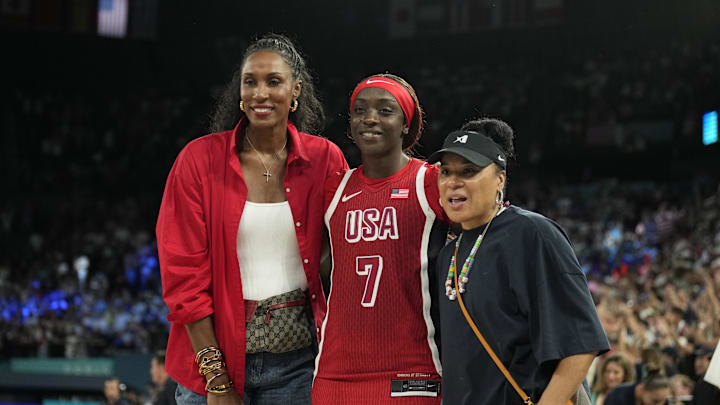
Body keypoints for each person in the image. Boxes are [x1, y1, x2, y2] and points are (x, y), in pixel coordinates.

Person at [157, 34, 348, 405]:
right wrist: (216, 378)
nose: (261, 92)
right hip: (211, 363)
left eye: (273, 81)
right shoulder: (198, 162)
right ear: (240, 93)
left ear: (296, 91)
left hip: (299, 365)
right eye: (251, 81)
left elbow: (347, 245)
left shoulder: (326, 160)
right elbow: (183, 280)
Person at [429, 118, 610, 405]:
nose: (453, 181)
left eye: (469, 171)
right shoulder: (448, 254)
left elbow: (580, 345)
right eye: (446, 171)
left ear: (500, 179)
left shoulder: (532, 234)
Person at [312, 74, 447, 404]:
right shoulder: (334, 188)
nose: (369, 118)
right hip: (335, 373)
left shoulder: (430, 181)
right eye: (359, 110)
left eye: (385, 111)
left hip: (412, 370)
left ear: (406, 124)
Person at [604, 372, 671, 405]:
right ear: (641, 389)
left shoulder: (661, 399)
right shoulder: (616, 398)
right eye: (655, 401)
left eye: (663, 401)